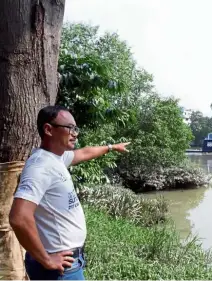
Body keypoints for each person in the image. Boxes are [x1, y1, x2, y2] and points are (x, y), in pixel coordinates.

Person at [9, 105, 130, 280]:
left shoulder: (57, 158)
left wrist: (112, 147)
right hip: (59, 269)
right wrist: (47, 260)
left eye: (75, 128)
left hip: (68, 263)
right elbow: (18, 218)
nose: (75, 133)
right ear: (49, 129)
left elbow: (84, 152)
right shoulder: (40, 166)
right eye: (69, 128)